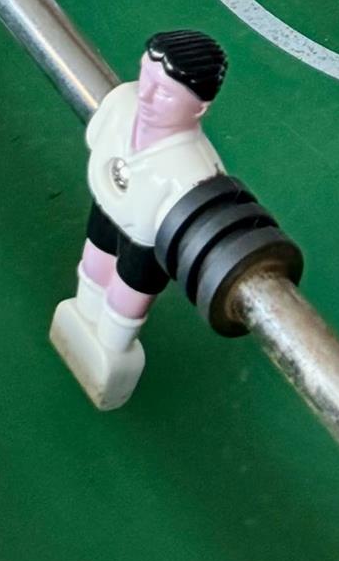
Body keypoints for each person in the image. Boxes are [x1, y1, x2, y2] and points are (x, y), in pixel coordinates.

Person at [50, 30, 230, 410]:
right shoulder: (121, 104)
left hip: (148, 242)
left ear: (199, 108)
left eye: (164, 93)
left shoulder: (195, 172)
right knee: (95, 265)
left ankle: (110, 355)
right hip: (107, 207)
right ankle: (82, 318)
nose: (145, 96)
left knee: (125, 297)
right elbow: (97, 136)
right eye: (145, 77)